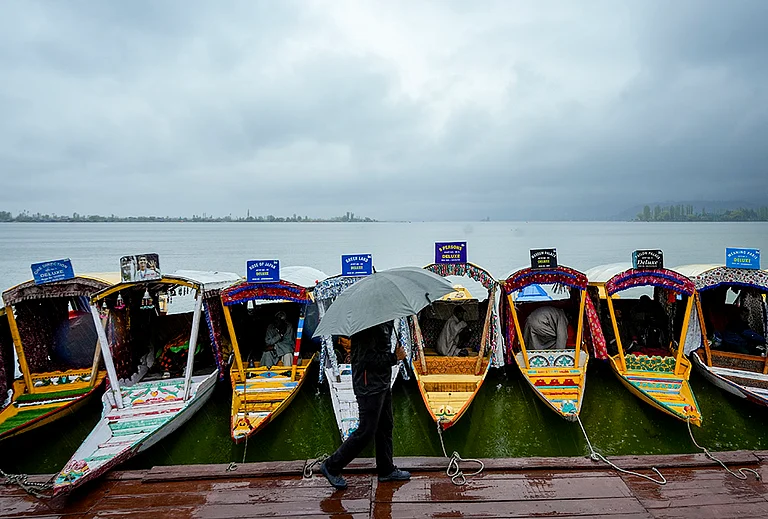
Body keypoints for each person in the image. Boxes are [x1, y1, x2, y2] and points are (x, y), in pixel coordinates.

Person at [320, 321, 410, 490]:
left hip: (382, 382)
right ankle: (331, 466)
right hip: (368, 385)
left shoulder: (384, 320)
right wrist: (394, 357)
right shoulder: (368, 326)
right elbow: (367, 359)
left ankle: (386, 469)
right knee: (366, 431)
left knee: (385, 426)